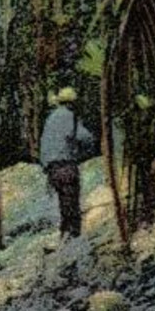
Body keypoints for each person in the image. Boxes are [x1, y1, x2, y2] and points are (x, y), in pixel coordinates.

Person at [39, 87, 96, 240]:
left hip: (52, 168)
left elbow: (44, 146)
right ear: (71, 103)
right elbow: (85, 137)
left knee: (63, 200)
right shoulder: (69, 116)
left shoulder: (50, 119)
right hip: (66, 165)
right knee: (72, 199)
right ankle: (74, 234)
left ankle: (65, 231)